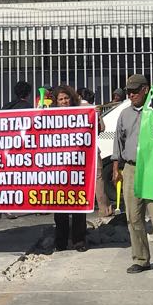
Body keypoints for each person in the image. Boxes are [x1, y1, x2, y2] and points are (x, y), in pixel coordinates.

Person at [115, 74, 153, 275]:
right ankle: (141, 259)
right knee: (133, 216)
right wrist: (117, 167)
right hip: (131, 168)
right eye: (128, 91)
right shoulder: (124, 114)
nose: (130, 94)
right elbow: (119, 141)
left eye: (134, 90)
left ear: (145, 89)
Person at [50, 85, 89, 252]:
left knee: (79, 205)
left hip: (78, 167)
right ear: (56, 102)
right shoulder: (49, 117)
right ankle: (61, 241)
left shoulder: (81, 113)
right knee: (60, 207)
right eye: (60, 99)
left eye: (66, 98)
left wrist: (91, 113)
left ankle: (79, 240)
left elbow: (98, 128)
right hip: (58, 169)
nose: (64, 101)